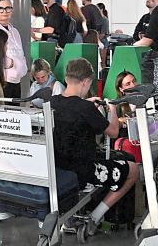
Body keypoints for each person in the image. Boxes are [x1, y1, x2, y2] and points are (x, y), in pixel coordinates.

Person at [51, 58, 136, 233]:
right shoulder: (85, 108)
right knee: (133, 169)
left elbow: (72, 108)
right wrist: (112, 109)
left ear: (67, 78)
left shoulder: (53, 103)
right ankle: (95, 217)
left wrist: (87, 103)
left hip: (57, 167)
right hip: (84, 171)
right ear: (86, 82)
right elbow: (113, 131)